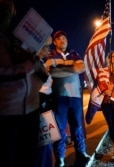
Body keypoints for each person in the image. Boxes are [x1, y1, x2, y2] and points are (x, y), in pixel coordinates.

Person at [0, 0, 48, 166]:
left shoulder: (18, 38)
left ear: (14, 10)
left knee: (29, 157)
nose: (4, 5)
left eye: (8, 3)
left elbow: (38, 69)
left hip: (31, 110)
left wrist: (38, 65)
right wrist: (27, 66)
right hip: (7, 114)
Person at [45, 30, 90, 167]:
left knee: (77, 127)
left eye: (64, 38)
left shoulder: (74, 53)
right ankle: (60, 158)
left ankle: (81, 153)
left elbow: (81, 68)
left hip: (75, 97)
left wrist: (61, 67)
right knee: (59, 129)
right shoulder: (50, 55)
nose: (62, 40)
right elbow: (52, 72)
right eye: (59, 39)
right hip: (59, 97)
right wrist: (72, 67)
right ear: (54, 42)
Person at [36, 36, 53, 167]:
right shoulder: (35, 62)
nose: (47, 50)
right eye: (44, 47)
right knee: (44, 140)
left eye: (47, 48)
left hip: (46, 102)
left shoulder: (41, 63)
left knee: (47, 139)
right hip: (40, 102)